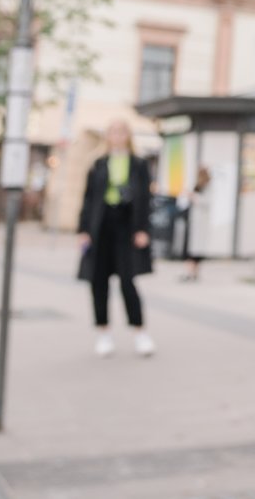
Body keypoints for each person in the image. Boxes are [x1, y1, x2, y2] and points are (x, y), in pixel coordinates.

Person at [78, 120, 155, 357]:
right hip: (101, 226)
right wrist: (83, 230)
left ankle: (140, 332)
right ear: (108, 136)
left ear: (128, 136)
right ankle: (103, 333)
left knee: (127, 281)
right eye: (113, 132)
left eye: (122, 132)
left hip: (127, 226)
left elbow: (145, 199)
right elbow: (89, 199)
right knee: (98, 282)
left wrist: (143, 229)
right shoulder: (98, 164)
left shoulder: (139, 164)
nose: (118, 136)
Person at [179, 166, 212, 282]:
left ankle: (192, 272)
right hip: (193, 221)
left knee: (193, 250)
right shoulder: (198, 186)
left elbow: (206, 202)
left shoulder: (208, 187)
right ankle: (192, 272)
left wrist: (192, 196)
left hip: (199, 222)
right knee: (191, 248)